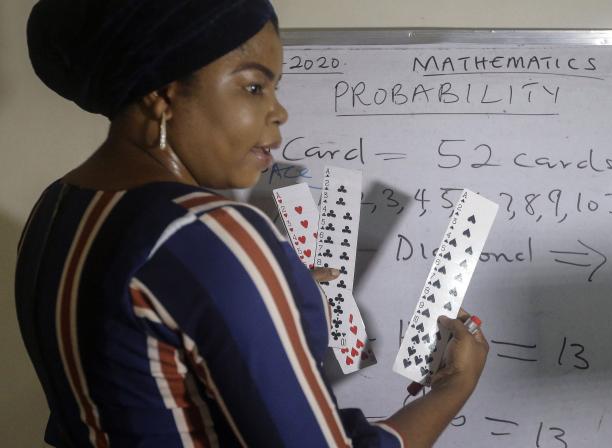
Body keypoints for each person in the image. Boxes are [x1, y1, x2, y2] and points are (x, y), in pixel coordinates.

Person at [17, 1, 489, 447]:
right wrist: (453, 389)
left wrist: (259, 295)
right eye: (253, 86)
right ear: (162, 94)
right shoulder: (212, 230)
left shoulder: (61, 206)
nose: (279, 111)